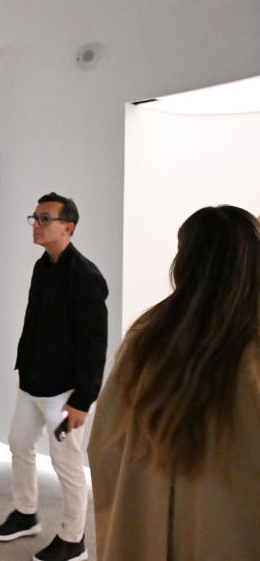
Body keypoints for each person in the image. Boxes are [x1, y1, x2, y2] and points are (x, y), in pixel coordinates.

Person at [88, 206, 260, 560]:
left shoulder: (150, 335)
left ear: (186, 260)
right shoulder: (250, 347)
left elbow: (105, 444)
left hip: (147, 531)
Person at [0, 192, 108, 561]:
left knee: (67, 464)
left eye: (45, 219)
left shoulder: (86, 277)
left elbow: (94, 345)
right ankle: (26, 513)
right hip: (33, 384)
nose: (36, 225)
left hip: (64, 393)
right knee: (19, 443)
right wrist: (24, 370)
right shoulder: (43, 266)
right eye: (35, 218)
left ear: (67, 227)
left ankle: (73, 539)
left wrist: (82, 401)